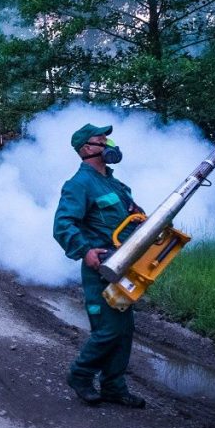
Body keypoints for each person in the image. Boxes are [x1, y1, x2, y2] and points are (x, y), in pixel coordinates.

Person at [53, 123, 147, 408]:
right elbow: (63, 224)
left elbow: (129, 214)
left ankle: (113, 386)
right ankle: (80, 375)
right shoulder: (79, 184)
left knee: (124, 329)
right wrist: (85, 251)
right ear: (86, 149)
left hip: (125, 263)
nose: (108, 145)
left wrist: (138, 212)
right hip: (101, 267)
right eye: (100, 140)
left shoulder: (114, 183)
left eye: (108, 139)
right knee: (107, 329)